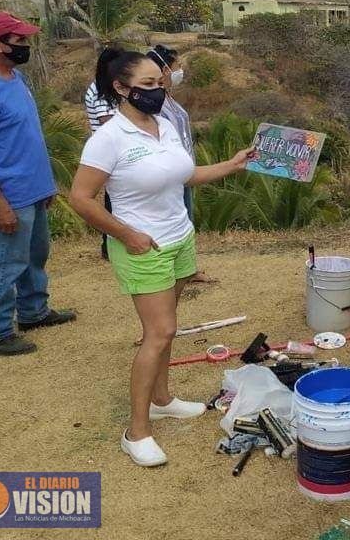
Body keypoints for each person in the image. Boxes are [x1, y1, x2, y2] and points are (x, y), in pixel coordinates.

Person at [68, 51, 255, 467]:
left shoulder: (164, 124)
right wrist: (127, 233)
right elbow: (80, 199)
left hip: (179, 238)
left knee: (168, 332)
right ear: (121, 88)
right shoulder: (108, 138)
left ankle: (162, 399)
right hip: (143, 246)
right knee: (159, 332)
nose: (158, 92)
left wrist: (233, 164)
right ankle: (136, 432)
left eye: (161, 83)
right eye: (149, 86)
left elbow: (185, 174)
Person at [0, 11, 76, 356]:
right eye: (19, 40)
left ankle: (33, 312)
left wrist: (46, 185)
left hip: (34, 191)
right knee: (3, 263)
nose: (26, 45)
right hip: (9, 196)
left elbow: (26, 136)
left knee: (34, 256)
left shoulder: (16, 78)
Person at [146, 44, 215, 286]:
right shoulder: (156, 105)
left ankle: (187, 269)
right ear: (164, 69)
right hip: (174, 172)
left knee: (186, 218)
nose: (181, 70)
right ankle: (176, 270)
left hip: (185, 171)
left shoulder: (169, 99)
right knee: (178, 219)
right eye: (177, 66)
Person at [84, 47, 121, 259]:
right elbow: (108, 122)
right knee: (112, 202)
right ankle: (109, 245)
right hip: (109, 152)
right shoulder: (99, 91)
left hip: (115, 151)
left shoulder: (109, 89)